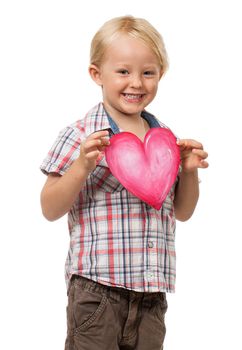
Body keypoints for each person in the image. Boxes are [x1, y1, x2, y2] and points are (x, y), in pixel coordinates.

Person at [40, 15, 209, 350]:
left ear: (161, 74)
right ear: (96, 74)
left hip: (150, 296)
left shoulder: (165, 141)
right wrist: (81, 168)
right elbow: (49, 208)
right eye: (123, 71)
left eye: (148, 72)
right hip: (97, 291)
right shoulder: (80, 135)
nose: (137, 83)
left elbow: (183, 211)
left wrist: (188, 171)